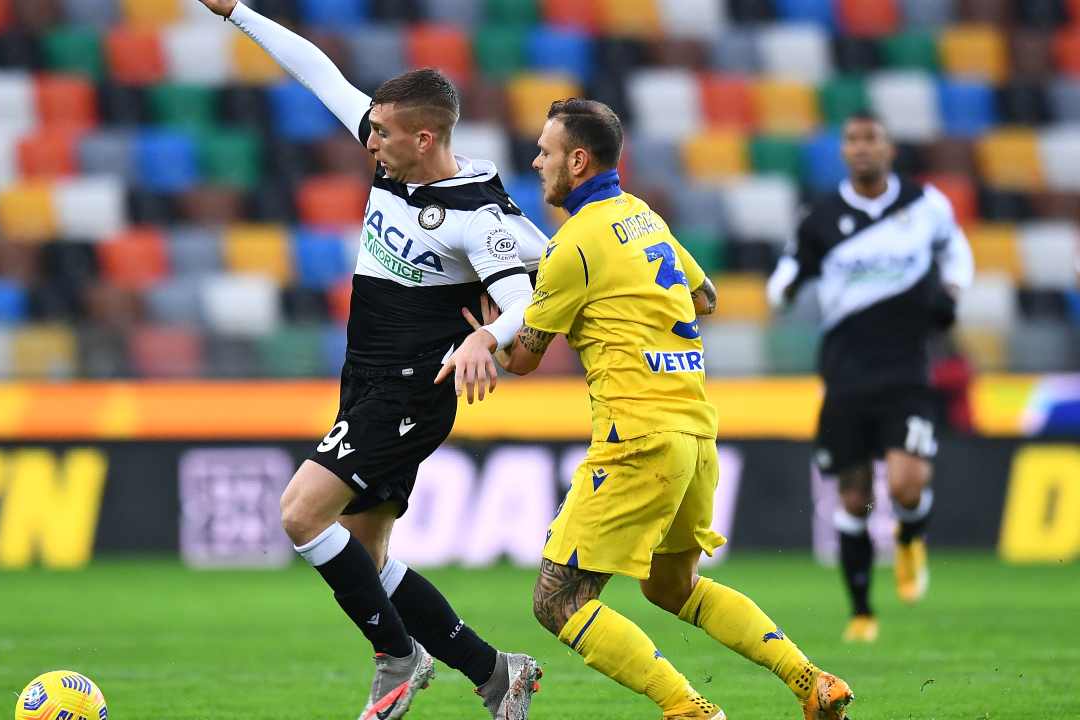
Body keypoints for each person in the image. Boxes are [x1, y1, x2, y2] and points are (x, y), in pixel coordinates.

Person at [446, 99, 854, 720]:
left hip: (635, 434)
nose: (537, 161)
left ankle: (688, 710)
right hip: (694, 429)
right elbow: (706, 295)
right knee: (671, 586)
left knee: (557, 602)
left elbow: (525, 358)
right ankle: (810, 681)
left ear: (577, 161)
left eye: (546, 151)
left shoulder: (572, 245)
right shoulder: (644, 218)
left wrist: (494, 330)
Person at [196, 2, 549, 719]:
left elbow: (522, 301)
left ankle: (397, 659)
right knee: (367, 554)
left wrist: (486, 336)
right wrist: (238, 13)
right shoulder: (400, 158)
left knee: (299, 515)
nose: (370, 143)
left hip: (412, 390)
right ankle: (494, 672)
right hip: (365, 380)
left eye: (383, 134)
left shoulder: (477, 216)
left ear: (425, 138)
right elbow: (317, 71)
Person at [766, 112, 974, 643]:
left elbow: (957, 250)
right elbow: (787, 274)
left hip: (906, 370)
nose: (862, 148)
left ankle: (909, 539)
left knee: (907, 484)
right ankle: (862, 612)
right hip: (845, 375)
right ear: (843, 151)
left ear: (890, 148)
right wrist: (783, 292)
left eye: (871, 139)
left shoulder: (925, 206)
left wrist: (951, 291)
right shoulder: (821, 218)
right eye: (853, 140)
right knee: (854, 496)